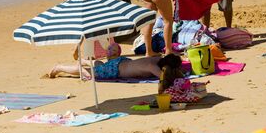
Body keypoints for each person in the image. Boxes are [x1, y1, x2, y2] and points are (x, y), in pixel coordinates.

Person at [48, 54, 183, 93]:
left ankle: (85, 60)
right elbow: (164, 79)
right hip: (116, 70)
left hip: (122, 62)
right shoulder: (152, 66)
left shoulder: (158, 58)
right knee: (92, 73)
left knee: (102, 66)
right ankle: (59, 67)